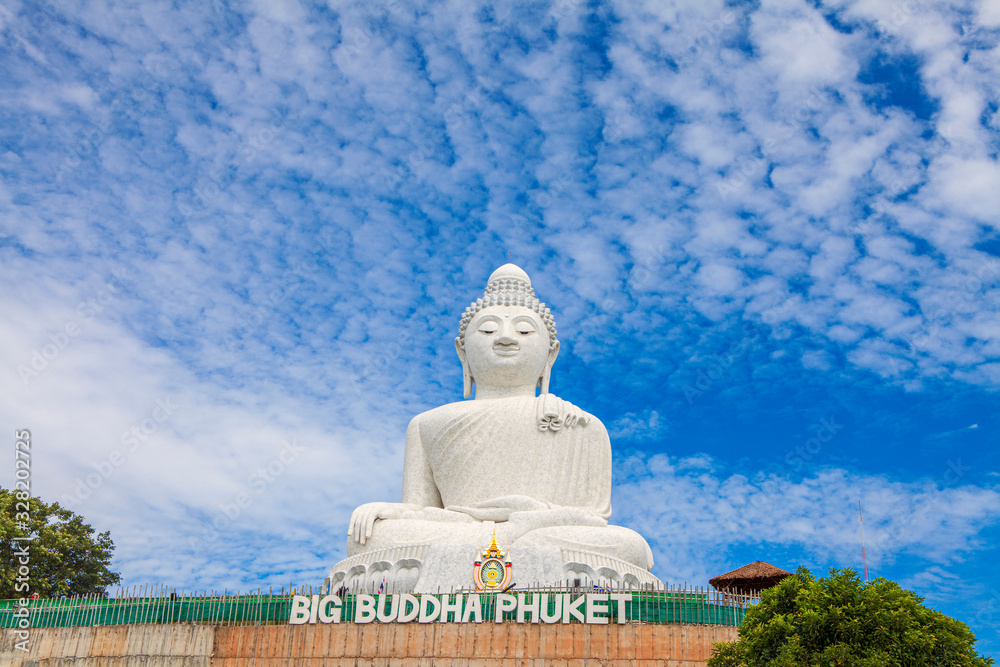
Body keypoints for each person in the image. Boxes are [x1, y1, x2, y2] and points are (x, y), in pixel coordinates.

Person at [346, 264, 654, 571]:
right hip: (464, 530)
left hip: (540, 531)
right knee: (369, 537)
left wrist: (529, 516)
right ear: (462, 352)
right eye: (488, 329)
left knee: (630, 546)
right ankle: (521, 555)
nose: (505, 338)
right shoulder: (426, 423)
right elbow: (421, 508)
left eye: (523, 330)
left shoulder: (582, 424)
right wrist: (390, 512)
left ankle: (489, 553)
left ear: (550, 354)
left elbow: (591, 519)